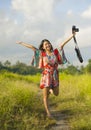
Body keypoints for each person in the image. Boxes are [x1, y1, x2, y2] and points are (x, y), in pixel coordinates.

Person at [16, 32, 76, 118]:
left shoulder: (55, 52)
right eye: (45, 44)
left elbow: (63, 44)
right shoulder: (42, 53)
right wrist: (21, 43)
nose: (47, 45)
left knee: (56, 93)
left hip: (55, 75)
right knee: (45, 96)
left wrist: (72, 35)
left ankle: (51, 90)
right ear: (43, 47)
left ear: (50, 45)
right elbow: (33, 48)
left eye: (48, 43)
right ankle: (48, 112)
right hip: (46, 75)